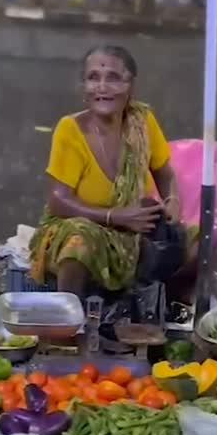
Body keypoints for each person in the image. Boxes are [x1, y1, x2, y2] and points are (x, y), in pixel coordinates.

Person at [30, 45, 183, 297]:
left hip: (133, 229)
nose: (102, 87)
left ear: (130, 86)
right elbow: (59, 201)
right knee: (78, 242)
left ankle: (163, 305)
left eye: (113, 78)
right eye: (93, 78)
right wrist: (116, 216)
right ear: (84, 87)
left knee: (199, 241)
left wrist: (172, 201)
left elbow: (164, 172)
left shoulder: (142, 121)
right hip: (84, 225)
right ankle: (69, 320)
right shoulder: (70, 129)